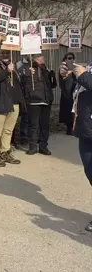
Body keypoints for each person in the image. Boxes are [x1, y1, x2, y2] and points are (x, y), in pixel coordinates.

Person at [59, 60, 92, 232]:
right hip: (85, 128)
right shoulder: (87, 66)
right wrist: (65, 77)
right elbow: (69, 94)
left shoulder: (86, 72)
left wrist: (84, 75)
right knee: (89, 170)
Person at [0, 51, 21, 166]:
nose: (6, 55)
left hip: (13, 102)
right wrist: (6, 71)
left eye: (8, 53)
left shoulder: (13, 65)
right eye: (3, 53)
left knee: (8, 130)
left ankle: (5, 151)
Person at [19, 54, 57, 155]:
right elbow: (22, 84)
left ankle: (43, 146)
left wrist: (52, 76)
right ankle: (32, 146)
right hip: (33, 101)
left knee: (45, 125)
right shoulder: (26, 68)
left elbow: (52, 85)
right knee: (33, 125)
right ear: (34, 57)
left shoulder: (45, 68)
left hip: (46, 100)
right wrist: (28, 74)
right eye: (41, 56)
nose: (43, 58)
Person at [14, 55, 31, 149]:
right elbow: (17, 78)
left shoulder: (34, 64)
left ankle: (28, 135)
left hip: (32, 94)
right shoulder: (19, 64)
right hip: (22, 92)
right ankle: (22, 135)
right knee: (22, 115)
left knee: (28, 115)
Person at [59, 53, 76, 135]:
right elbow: (62, 74)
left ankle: (73, 127)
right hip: (67, 93)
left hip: (74, 93)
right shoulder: (63, 67)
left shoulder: (74, 69)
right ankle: (69, 128)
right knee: (68, 111)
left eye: (72, 58)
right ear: (65, 60)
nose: (71, 60)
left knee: (73, 111)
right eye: (69, 58)